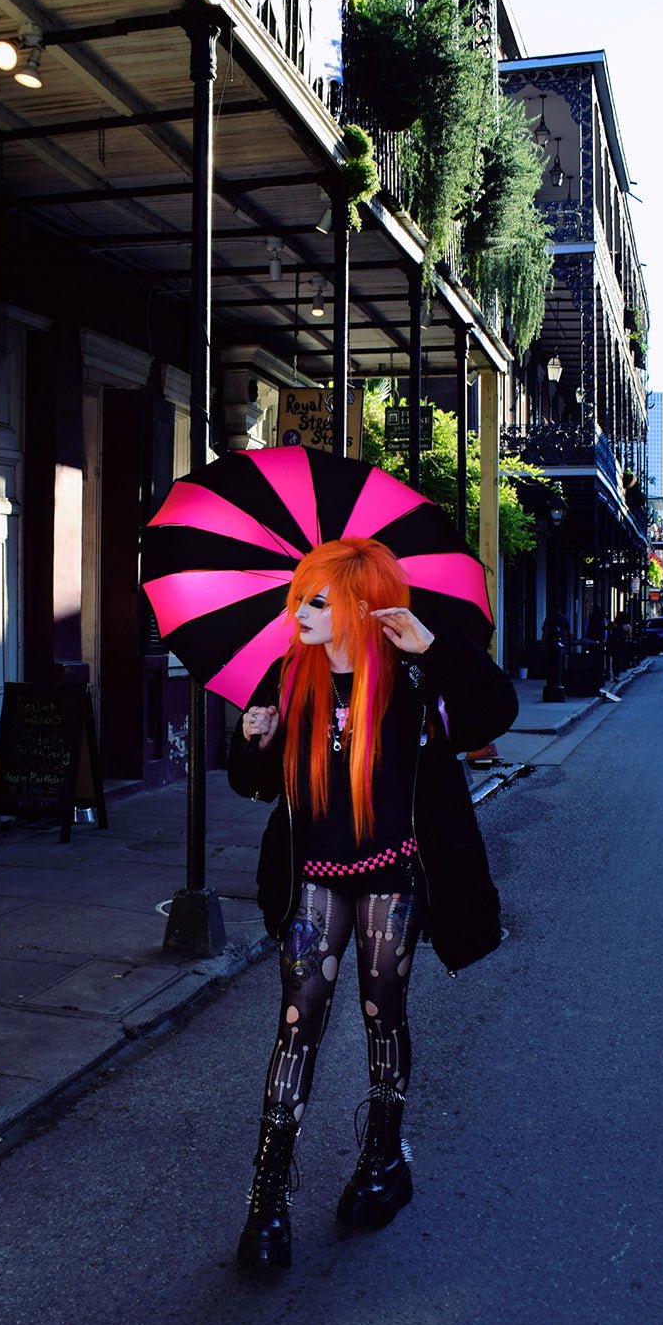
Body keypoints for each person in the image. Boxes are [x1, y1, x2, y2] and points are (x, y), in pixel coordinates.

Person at [228, 537, 518, 1271]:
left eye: (318, 599)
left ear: (361, 605)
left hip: (393, 874)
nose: (300, 610)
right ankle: (267, 1199)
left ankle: (384, 1160)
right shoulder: (288, 677)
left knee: (381, 1011)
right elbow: (254, 784)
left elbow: (493, 713)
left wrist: (434, 648)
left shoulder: (413, 678)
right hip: (314, 877)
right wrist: (252, 739)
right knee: (298, 1020)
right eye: (299, 596)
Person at [607, 611, 632, 680]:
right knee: (619, 659)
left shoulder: (614, 626)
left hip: (614, 644)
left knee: (615, 660)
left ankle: (615, 674)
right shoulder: (627, 627)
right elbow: (630, 636)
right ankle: (618, 673)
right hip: (622, 645)